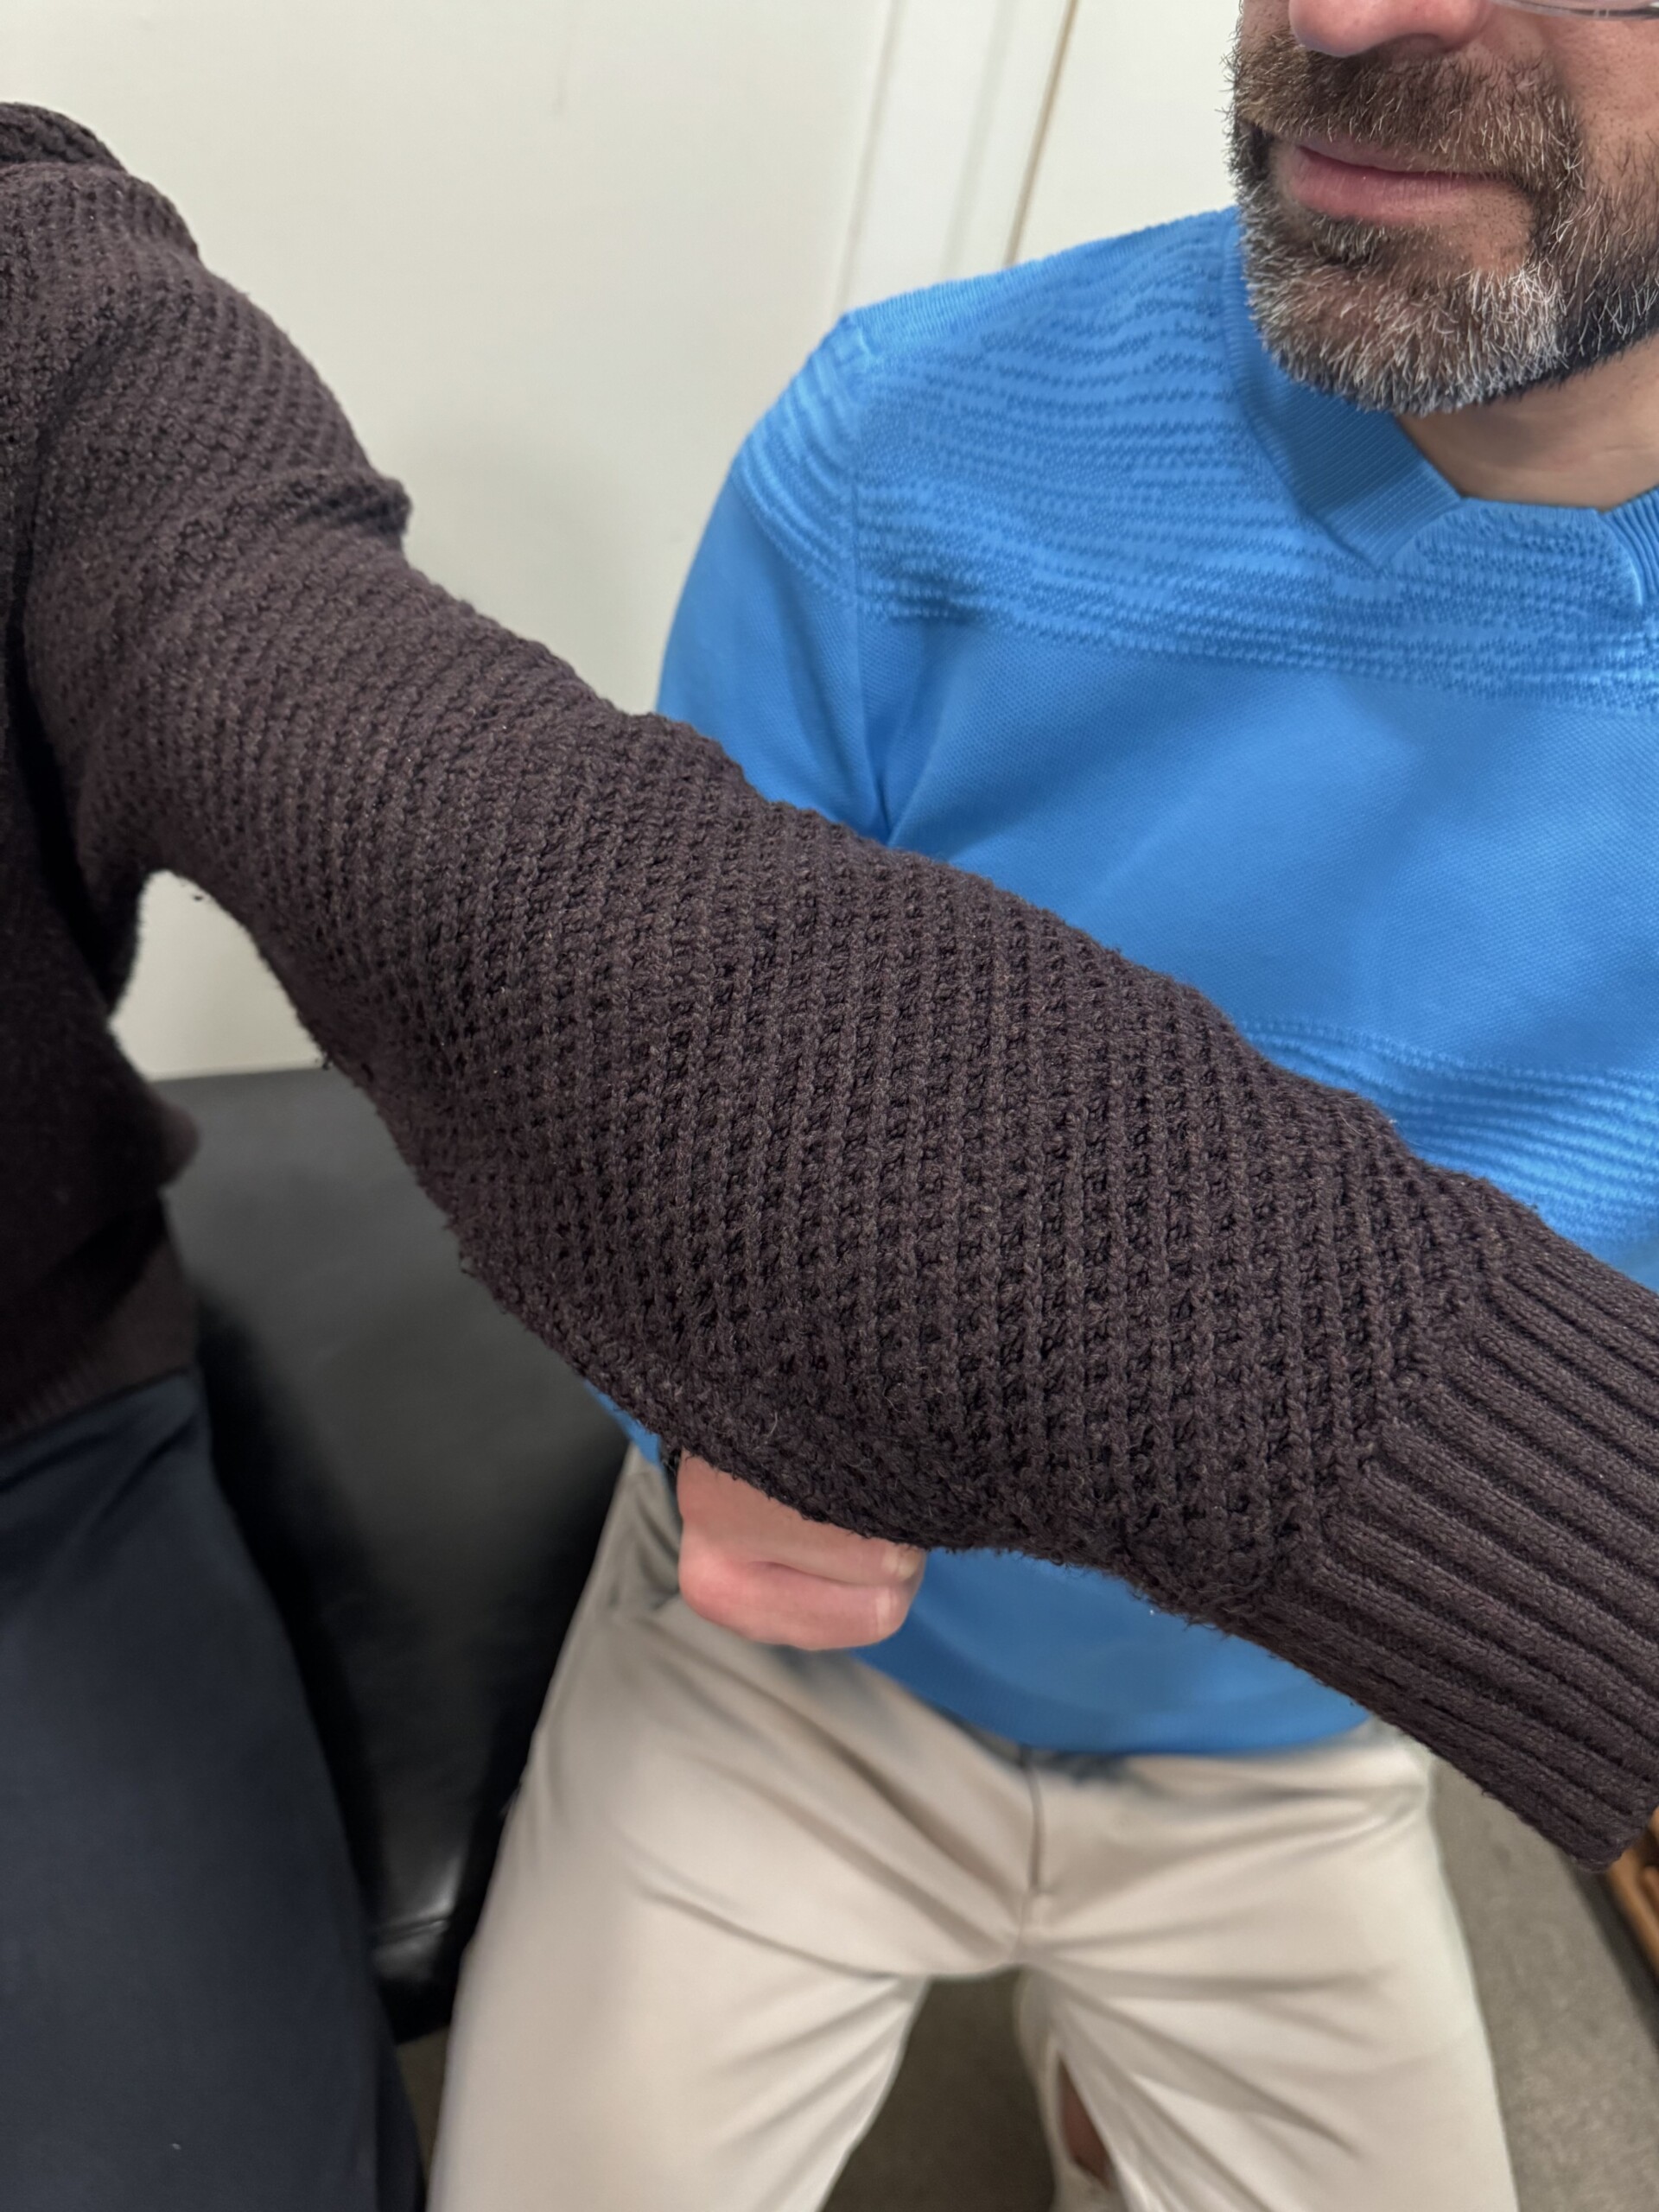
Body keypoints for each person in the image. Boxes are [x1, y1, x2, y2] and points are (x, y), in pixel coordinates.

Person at [429, 3, 1659, 2209]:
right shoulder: (903, 442)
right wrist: (686, 1406)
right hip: (791, 1674)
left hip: (1306, 1733)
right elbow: (622, 1079)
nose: (1345, 17)